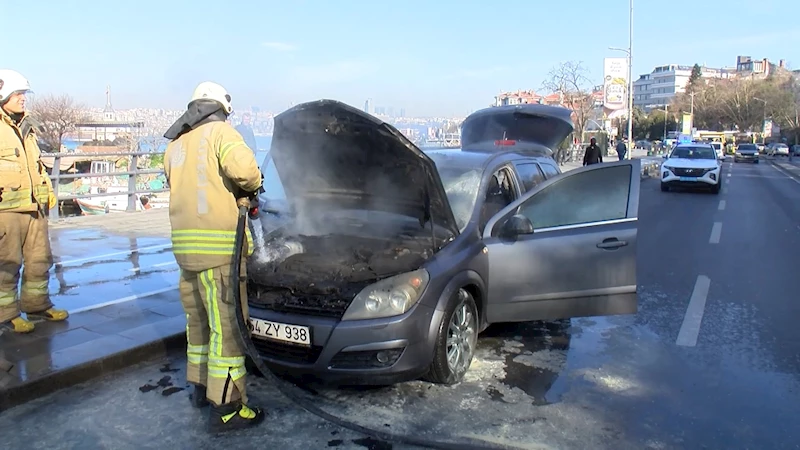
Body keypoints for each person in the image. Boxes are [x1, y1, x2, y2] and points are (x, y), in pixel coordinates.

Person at [163, 81, 265, 433]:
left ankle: (200, 388)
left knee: (199, 325)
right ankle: (228, 409)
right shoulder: (222, 133)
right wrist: (252, 188)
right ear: (221, 109)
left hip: (185, 252)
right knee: (227, 332)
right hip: (220, 251)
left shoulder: (175, 146)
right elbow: (246, 172)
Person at [0, 69, 67, 334]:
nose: (22, 99)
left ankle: (38, 305)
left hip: (35, 207)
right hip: (8, 209)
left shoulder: (27, 127)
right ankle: (6, 314)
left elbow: (35, 166)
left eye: (24, 94)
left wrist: (46, 190)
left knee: (40, 260)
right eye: (18, 94)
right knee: (7, 263)